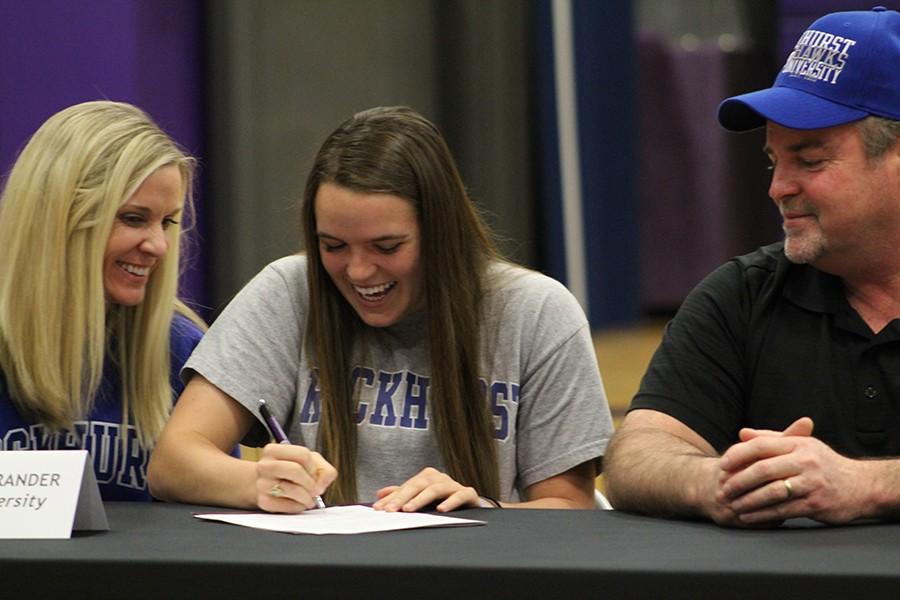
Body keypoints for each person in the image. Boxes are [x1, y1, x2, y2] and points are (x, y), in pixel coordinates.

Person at [147, 106, 613, 512]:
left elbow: (569, 508)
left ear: (442, 231)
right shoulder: (288, 292)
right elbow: (173, 464)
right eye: (333, 246)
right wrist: (261, 483)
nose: (359, 271)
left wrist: (488, 510)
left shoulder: (536, 312)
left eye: (387, 246)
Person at [604, 7, 900, 527]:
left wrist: (866, 485)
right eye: (773, 160)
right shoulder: (742, 294)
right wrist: (716, 481)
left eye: (810, 161)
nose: (778, 187)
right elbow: (636, 455)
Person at [0, 101, 207, 501]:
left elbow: (213, 528)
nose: (159, 246)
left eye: (167, 222)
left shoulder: (180, 349)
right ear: (59, 218)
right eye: (133, 219)